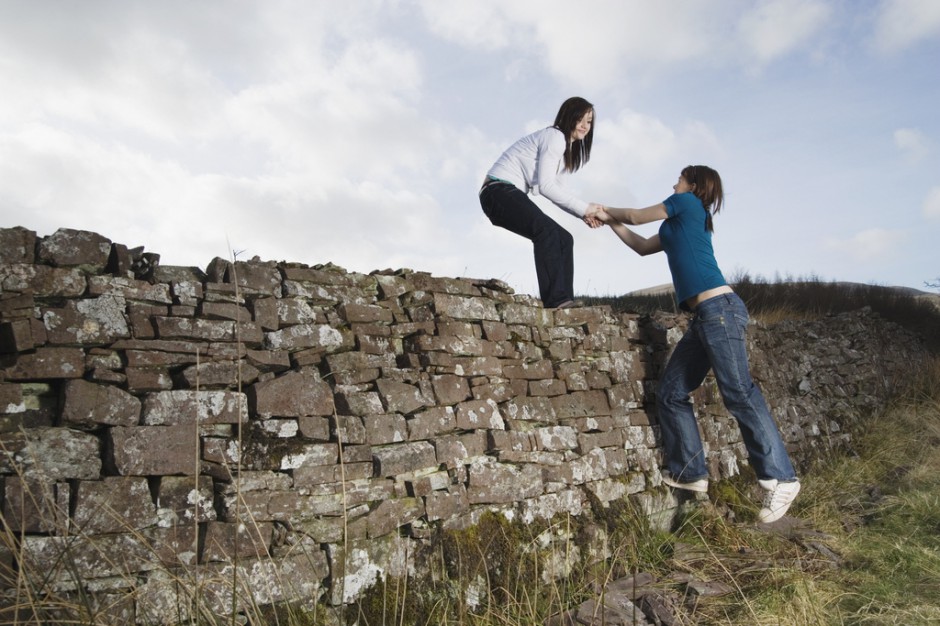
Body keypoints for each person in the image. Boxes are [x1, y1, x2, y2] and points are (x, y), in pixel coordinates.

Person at [596, 165, 800, 524]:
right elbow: (643, 246)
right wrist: (611, 223)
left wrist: (603, 209)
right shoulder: (677, 223)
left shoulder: (687, 203)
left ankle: (782, 479)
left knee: (738, 393)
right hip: (704, 317)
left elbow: (636, 215)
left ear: (693, 184)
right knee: (672, 392)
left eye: (679, 177)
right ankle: (691, 475)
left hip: (720, 310)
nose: (673, 182)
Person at [479, 97, 604, 309]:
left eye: (589, 121)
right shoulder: (555, 137)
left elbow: (560, 192)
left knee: (564, 238)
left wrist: (583, 214)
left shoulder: (565, 153)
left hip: (506, 193)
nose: (585, 126)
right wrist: (585, 209)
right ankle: (556, 301)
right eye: (580, 119)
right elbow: (546, 187)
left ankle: (565, 302)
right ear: (568, 117)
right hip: (497, 191)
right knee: (546, 232)